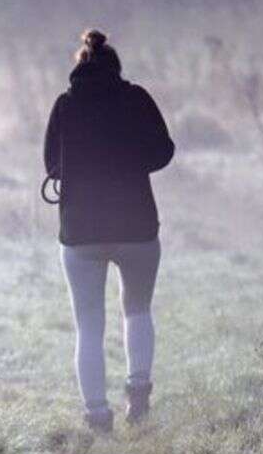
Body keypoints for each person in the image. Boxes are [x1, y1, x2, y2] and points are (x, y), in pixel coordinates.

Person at [43, 30, 175, 433]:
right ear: (116, 68)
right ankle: (138, 395)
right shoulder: (136, 99)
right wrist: (128, 162)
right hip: (136, 224)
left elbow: (52, 165)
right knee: (137, 311)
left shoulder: (65, 105)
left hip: (81, 230)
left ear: (79, 66)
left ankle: (98, 416)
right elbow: (163, 152)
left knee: (89, 326)